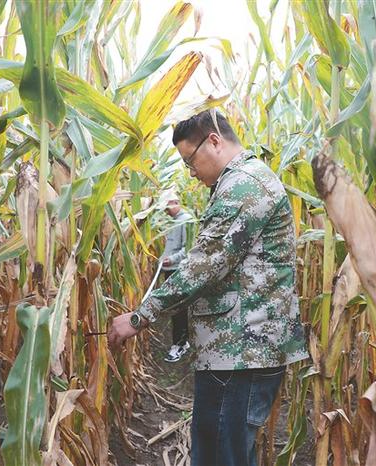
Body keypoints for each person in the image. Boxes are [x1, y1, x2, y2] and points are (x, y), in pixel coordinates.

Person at [108, 110, 308, 466]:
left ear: (214, 141)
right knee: (216, 448)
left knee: (220, 454)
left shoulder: (244, 185)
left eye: (190, 161)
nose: (191, 172)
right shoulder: (238, 182)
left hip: (243, 350)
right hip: (234, 350)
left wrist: (140, 317)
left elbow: (204, 266)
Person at [160, 195, 191, 362]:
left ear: (175, 203)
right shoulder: (172, 221)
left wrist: (171, 260)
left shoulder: (185, 220)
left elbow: (189, 248)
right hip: (169, 269)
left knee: (178, 308)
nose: (165, 210)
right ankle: (181, 342)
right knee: (174, 307)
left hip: (178, 270)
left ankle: (179, 344)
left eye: (167, 206)